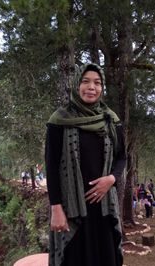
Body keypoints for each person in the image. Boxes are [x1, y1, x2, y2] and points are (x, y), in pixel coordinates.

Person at [45, 63, 126, 266]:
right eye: (86, 81)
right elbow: (52, 166)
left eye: (97, 83)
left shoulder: (111, 120)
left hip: (104, 208)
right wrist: (56, 208)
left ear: (102, 87)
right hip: (72, 209)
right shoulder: (59, 120)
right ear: (76, 85)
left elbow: (122, 157)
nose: (92, 87)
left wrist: (111, 179)